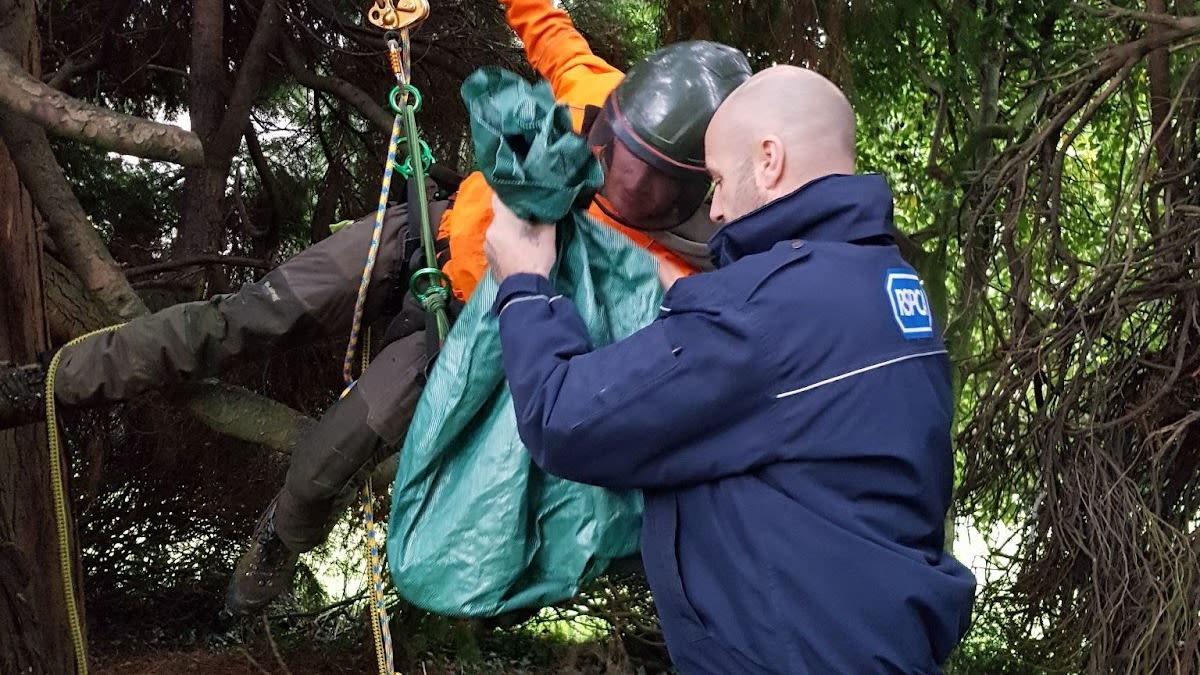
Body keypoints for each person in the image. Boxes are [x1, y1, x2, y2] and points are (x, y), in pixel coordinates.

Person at [40, 0, 751, 614]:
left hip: (458, 336)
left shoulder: (686, 265)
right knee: (252, 314)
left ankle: (276, 543)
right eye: (607, 148)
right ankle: (64, 377)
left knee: (324, 460)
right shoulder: (593, 86)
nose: (610, 177)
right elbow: (541, 19)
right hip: (419, 231)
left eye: (643, 183)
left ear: (695, 191)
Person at [483, 65, 977, 673]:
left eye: (716, 180)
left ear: (768, 160)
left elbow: (564, 418)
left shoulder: (766, 312)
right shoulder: (889, 285)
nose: (713, 209)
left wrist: (525, 286)